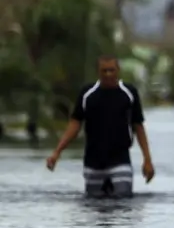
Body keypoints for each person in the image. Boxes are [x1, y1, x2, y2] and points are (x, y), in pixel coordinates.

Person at [46, 55, 155, 198]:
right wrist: (57, 152)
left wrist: (147, 160)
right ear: (98, 72)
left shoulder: (129, 93)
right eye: (104, 71)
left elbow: (138, 127)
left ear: (118, 70)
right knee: (94, 204)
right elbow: (74, 124)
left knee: (123, 200)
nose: (108, 74)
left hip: (120, 160)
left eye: (111, 70)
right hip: (93, 162)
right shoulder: (87, 94)